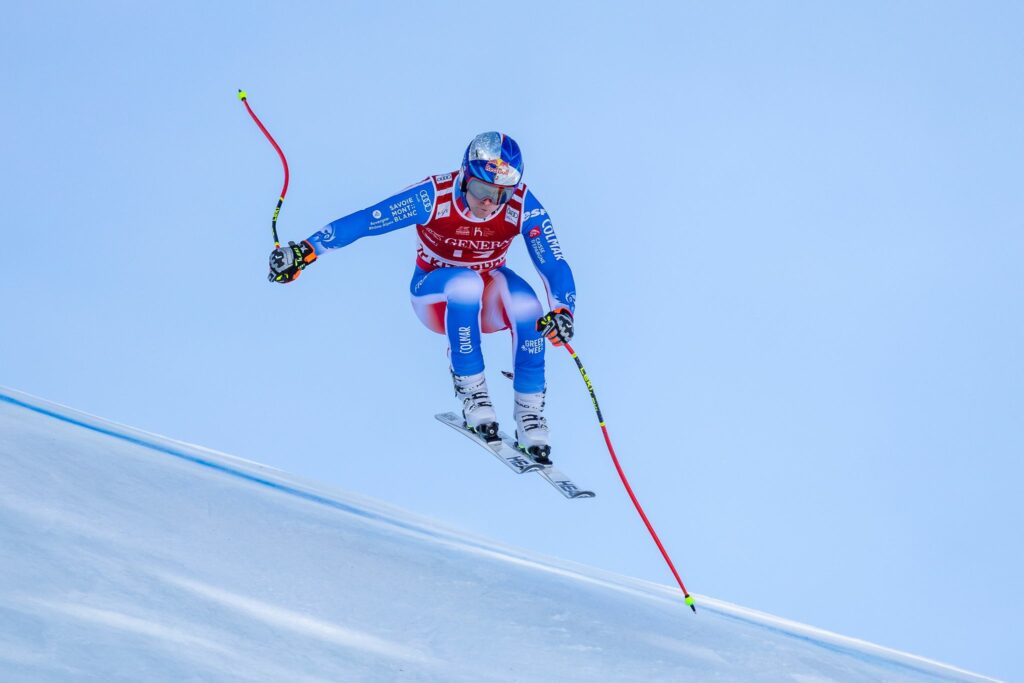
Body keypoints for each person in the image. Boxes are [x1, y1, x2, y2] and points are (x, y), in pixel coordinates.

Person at [268, 132, 575, 464]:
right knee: (466, 283)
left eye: (500, 195)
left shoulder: (521, 205)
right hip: (436, 296)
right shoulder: (434, 196)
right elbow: (367, 220)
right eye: (481, 190)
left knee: (529, 305)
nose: (489, 203)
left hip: (487, 300)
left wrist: (564, 310)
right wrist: (305, 251)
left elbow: (553, 262)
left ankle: (530, 414)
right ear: (464, 178)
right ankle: (474, 391)